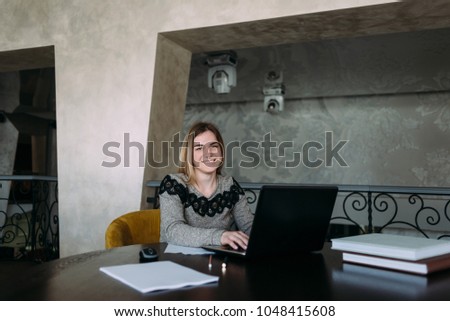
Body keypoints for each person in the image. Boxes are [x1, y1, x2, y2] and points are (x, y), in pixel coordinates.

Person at [158, 121, 254, 249]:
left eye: (213, 146)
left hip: (217, 262)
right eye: (198, 148)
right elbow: (173, 231)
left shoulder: (230, 186)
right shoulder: (174, 184)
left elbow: (249, 227)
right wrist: (219, 236)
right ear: (189, 155)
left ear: (221, 151)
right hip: (174, 262)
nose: (208, 153)